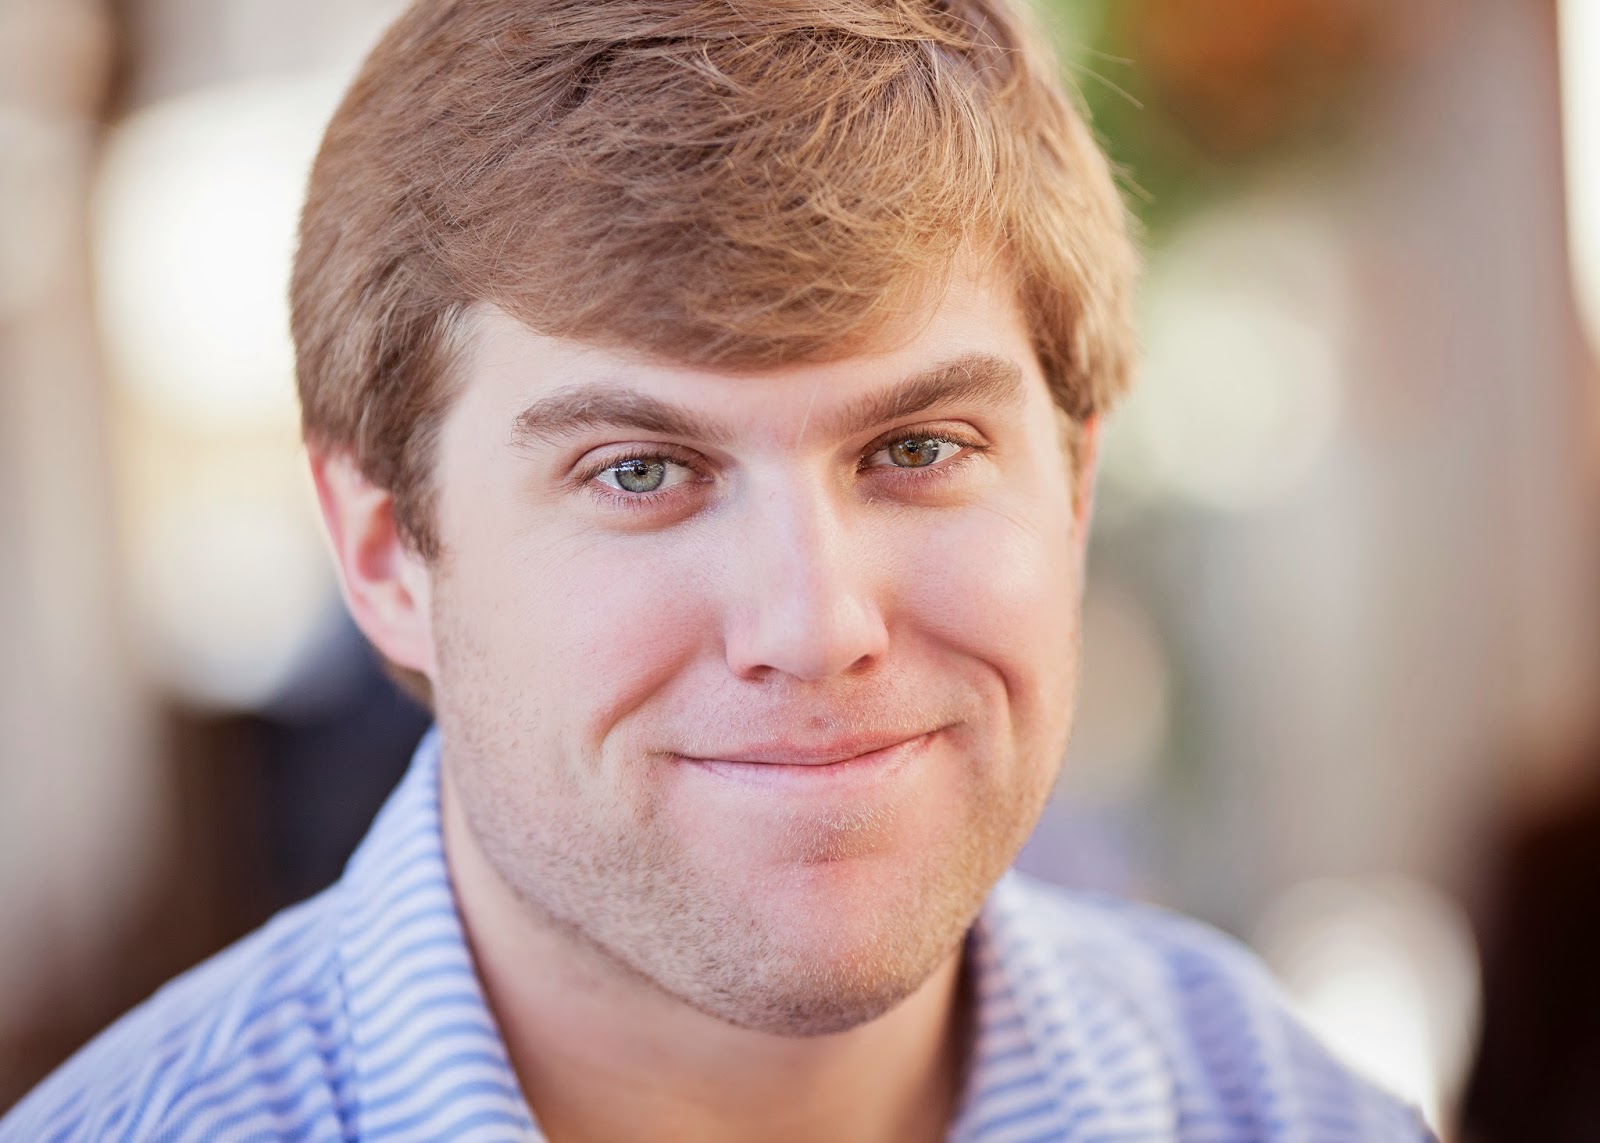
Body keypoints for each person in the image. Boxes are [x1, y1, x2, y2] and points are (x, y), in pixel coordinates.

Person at [3, 1, 1433, 1140]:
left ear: (1074, 490)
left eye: (919, 448)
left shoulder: (1293, 1115)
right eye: (640, 471)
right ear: (385, 557)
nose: (815, 623)